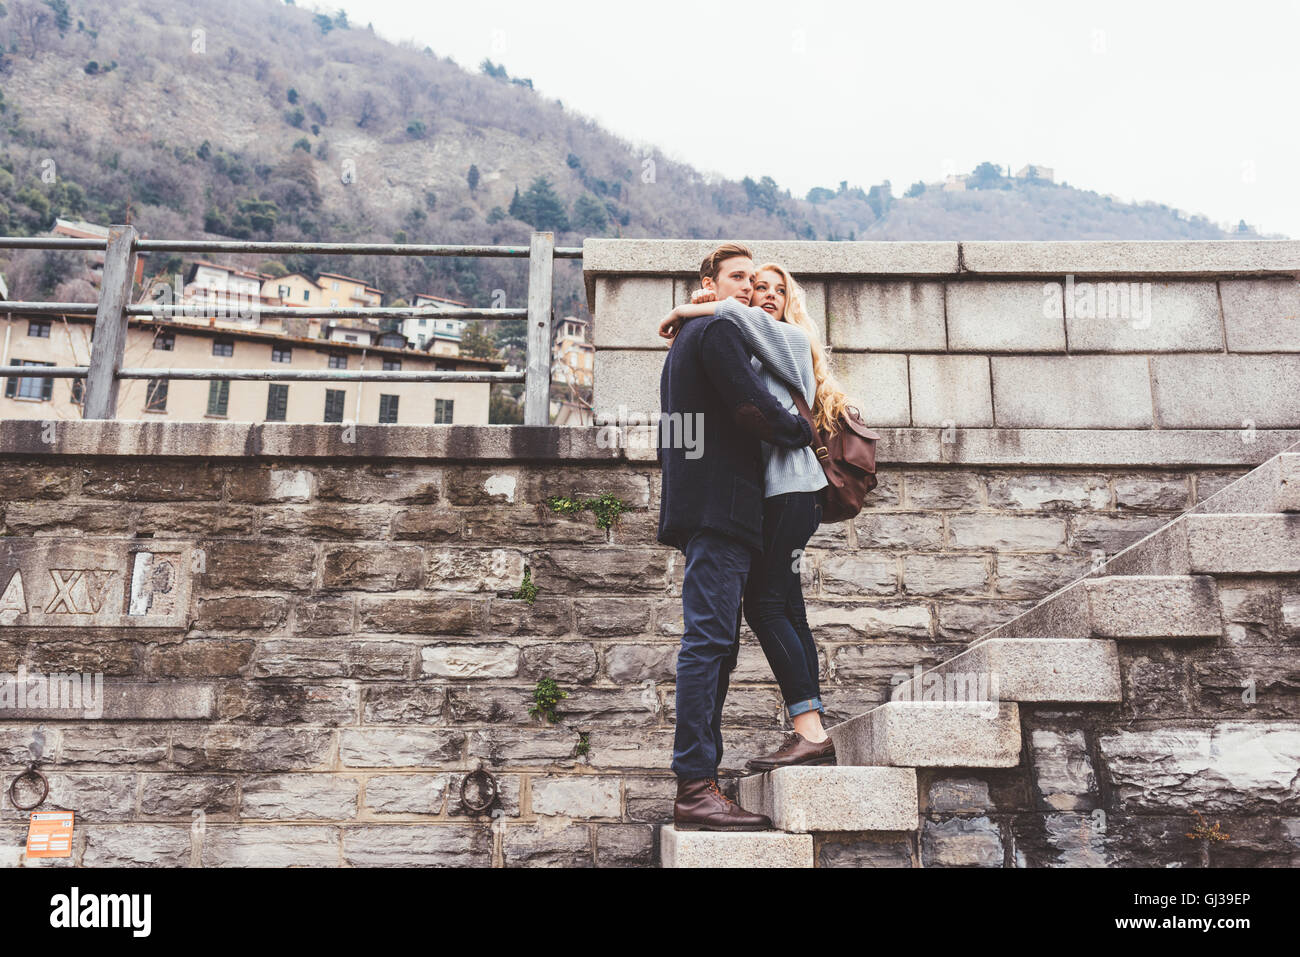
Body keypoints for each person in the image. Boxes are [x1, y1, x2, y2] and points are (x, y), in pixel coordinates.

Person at [660, 261, 860, 771]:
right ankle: (811, 728)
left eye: (775, 288)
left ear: (790, 301)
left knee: (765, 607)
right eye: (757, 286)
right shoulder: (754, 340)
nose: (763, 294)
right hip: (786, 495)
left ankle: (810, 733)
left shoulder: (787, 339)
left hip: (790, 493)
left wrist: (690, 307)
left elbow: (730, 320)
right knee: (786, 606)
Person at [657, 242, 814, 830]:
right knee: (708, 646)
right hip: (721, 511)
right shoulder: (719, 331)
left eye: (754, 278)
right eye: (738, 277)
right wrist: (798, 428)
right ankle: (696, 786)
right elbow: (752, 410)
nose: (749, 288)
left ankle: (702, 783)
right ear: (710, 283)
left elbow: (681, 429)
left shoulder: (685, 342)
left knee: (716, 646)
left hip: (701, 507)